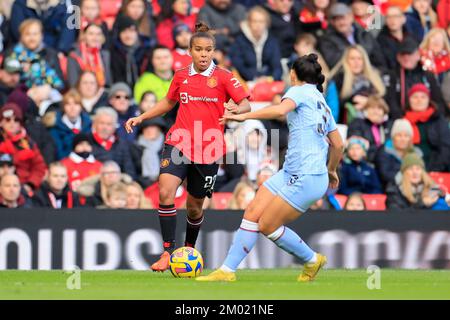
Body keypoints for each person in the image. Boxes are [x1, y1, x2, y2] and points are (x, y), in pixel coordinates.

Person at [196, 54, 344, 282]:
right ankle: (227, 271)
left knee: (267, 225)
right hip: (294, 172)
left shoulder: (298, 90)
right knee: (253, 212)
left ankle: (312, 259)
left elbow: (279, 111)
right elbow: (338, 144)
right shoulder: (321, 102)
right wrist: (332, 169)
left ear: (293, 74)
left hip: (306, 175)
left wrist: (244, 116)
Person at [125, 22, 251, 272]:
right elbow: (168, 102)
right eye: (198, 49)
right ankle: (167, 252)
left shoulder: (225, 77)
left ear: (213, 51)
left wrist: (236, 110)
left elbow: (246, 104)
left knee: (194, 207)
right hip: (179, 141)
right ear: (189, 51)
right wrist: (142, 117)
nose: (204, 54)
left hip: (209, 149)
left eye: (208, 50)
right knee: (165, 191)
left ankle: (189, 248)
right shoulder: (181, 75)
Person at [384, 37, 448, 119]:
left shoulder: (428, 75)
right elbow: (390, 103)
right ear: (398, 57)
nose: (406, 58)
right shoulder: (392, 76)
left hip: (428, 119)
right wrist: (404, 118)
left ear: (418, 55)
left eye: (410, 53)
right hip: (403, 120)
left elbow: (439, 103)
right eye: (403, 54)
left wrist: (429, 116)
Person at [326, 45, 386, 124]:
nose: (356, 62)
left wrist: (368, 102)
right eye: (352, 58)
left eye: (359, 58)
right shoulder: (339, 79)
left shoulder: (375, 78)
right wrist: (353, 100)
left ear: (364, 61)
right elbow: (335, 106)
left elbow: (384, 104)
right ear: (346, 61)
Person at [319, 3, 386, 69]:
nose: (341, 22)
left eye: (343, 18)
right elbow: (333, 63)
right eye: (337, 19)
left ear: (351, 17)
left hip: (372, 72)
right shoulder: (326, 40)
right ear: (332, 22)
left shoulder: (364, 34)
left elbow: (379, 58)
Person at [0, 103, 47, 195]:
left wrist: (30, 184)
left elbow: (39, 167)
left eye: (16, 119)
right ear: (1, 122)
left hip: (23, 188)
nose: (12, 123)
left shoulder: (29, 143)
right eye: (8, 119)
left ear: (20, 123)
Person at [403, 83, 450, 171]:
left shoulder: (439, 120)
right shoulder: (403, 122)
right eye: (415, 97)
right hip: (410, 169)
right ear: (409, 100)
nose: (419, 100)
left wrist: (434, 170)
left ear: (428, 100)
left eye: (423, 97)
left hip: (436, 168)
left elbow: (446, 148)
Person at [229, 6, 282, 83]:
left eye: (261, 21)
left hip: (268, 81)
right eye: (254, 21)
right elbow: (238, 66)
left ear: (266, 23)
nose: (258, 25)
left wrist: (269, 78)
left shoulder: (272, 41)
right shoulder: (239, 41)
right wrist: (255, 78)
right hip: (245, 82)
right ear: (249, 23)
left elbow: (277, 66)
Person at [7, 19, 63, 90]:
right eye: (27, 34)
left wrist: (47, 89)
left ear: (42, 35)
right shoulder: (12, 54)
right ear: (21, 36)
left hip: (47, 94)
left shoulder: (51, 54)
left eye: (35, 34)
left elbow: (60, 82)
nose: (32, 38)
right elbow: (6, 83)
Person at [10, 0, 76, 54]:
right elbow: (18, 31)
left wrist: (61, 51)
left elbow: (68, 32)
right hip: (26, 50)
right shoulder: (20, 5)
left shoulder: (62, 5)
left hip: (55, 51)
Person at [44, 89, 92, 160]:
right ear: (63, 107)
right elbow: (58, 153)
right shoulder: (54, 128)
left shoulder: (89, 125)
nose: (72, 108)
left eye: (76, 104)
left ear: (81, 107)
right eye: (68, 104)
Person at [90, 107, 137, 178]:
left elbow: (129, 171)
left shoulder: (122, 144)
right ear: (94, 124)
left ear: (114, 126)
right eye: (101, 123)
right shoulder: (87, 142)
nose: (105, 127)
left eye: (109, 124)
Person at [375, 118, 422, 187]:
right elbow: (385, 175)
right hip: (392, 188)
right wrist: (408, 178)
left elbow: (422, 173)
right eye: (399, 135)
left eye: (406, 136)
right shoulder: (384, 151)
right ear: (393, 137)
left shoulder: (416, 153)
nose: (403, 139)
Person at [110, 15, 152, 89]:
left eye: (131, 31)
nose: (128, 35)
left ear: (137, 32)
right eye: (124, 32)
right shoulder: (114, 51)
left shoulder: (147, 50)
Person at [347, 95, 392, 162]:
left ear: (384, 112)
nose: (376, 112)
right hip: (365, 161)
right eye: (372, 108)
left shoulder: (388, 125)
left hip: (385, 161)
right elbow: (356, 146)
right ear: (366, 110)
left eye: (379, 108)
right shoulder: (357, 124)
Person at [67, 22, 112, 88]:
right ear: (84, 36)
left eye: (98, 34)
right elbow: (73, 83)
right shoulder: (74, 55)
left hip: (102, 93)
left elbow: (108, 81)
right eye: (91, 34)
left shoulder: (105, 55)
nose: (95, 37)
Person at [376, 5, 415, 70]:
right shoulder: (380, 41)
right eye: (389, 17)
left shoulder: (412, 38)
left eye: (396, 16)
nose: (392, 20)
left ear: (403, 19)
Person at [136, 117, 167, 188]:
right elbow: (133, 171)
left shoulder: (169, 146)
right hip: (142, 186)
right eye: (146, 128)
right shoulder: (135, 147)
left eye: (152, 127)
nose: (149, 130)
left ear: (159, 129)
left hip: (165, 184)